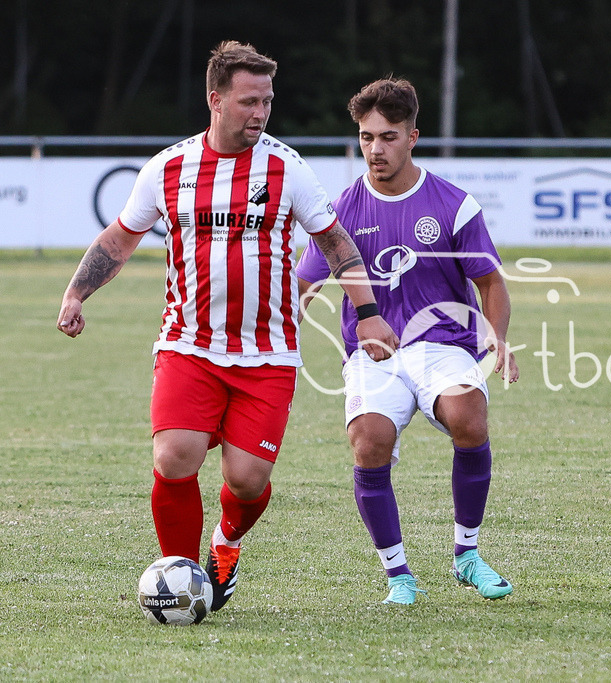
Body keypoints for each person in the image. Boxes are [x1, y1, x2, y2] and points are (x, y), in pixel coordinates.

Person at [56, 41, 398, 614]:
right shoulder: (168, 169)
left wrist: (369, 315)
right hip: (189, 345)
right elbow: (118, 239)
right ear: (215, 100)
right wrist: (76, 292)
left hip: (267, 354)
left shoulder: (286, 167)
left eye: (266, 101)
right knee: (174, 457)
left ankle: (225, 544)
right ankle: (182, 577)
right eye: (248, 102)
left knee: (245, 480)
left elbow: (336, 242)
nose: (260, 113)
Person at [296, 77, 518, 605]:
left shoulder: (453, 204)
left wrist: (499, 337)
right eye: (367, 137)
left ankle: (467, 555)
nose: (376, 148)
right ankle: (399, 576)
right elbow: (304, 285)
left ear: (413, 137)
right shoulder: (340, 212)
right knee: (369, 441)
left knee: (469, 418)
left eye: (388, 136)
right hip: (372, 353)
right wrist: (280, 337)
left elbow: (490, 282)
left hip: (442, 345)